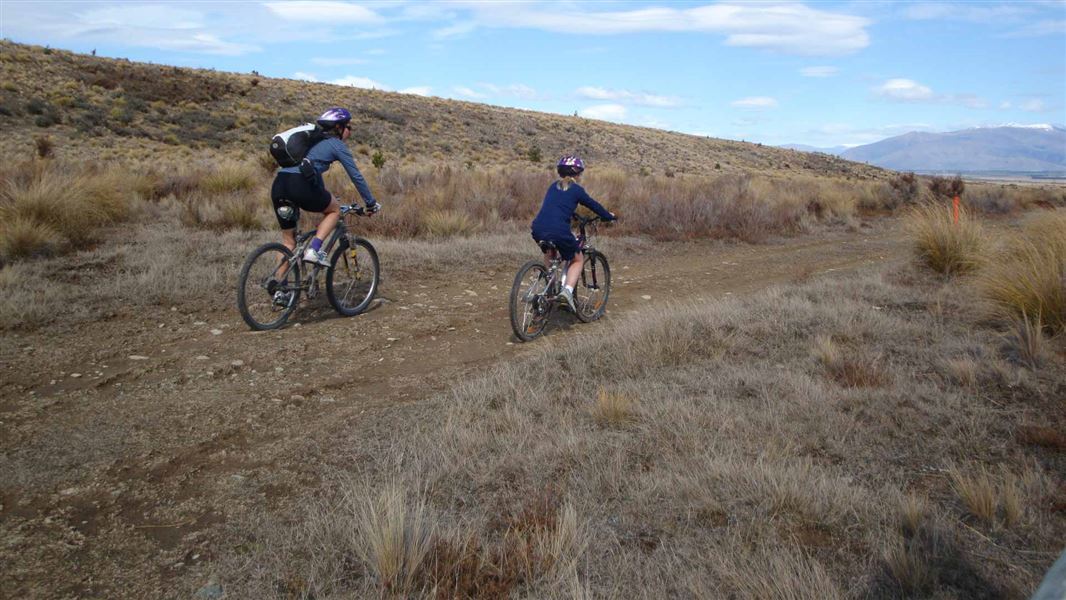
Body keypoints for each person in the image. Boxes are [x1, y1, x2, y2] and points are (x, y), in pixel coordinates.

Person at [271, 107, 380, 269]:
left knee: (288, 242)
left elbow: (313, 175)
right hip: (299, 184)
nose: (350, 131)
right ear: (338, 127)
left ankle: (279, 288)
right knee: (334, 211)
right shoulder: (336, 145)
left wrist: (326, 196)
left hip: (279, 184)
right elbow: (356, 176)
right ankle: (314, 250)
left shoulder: (311, 144)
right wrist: (370, 203)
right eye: (348, 127)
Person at [530, 155, 616, 310]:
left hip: (538, 228)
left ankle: (549, 288)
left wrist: (573, 215)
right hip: (558, 230)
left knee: (550, 252)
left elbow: (556, 206)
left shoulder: (552, 186)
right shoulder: (576, 190)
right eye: (579, 173)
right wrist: (608, 216)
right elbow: (593, 205)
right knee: (577, 259)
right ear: (577, 174)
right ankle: (567, 292)